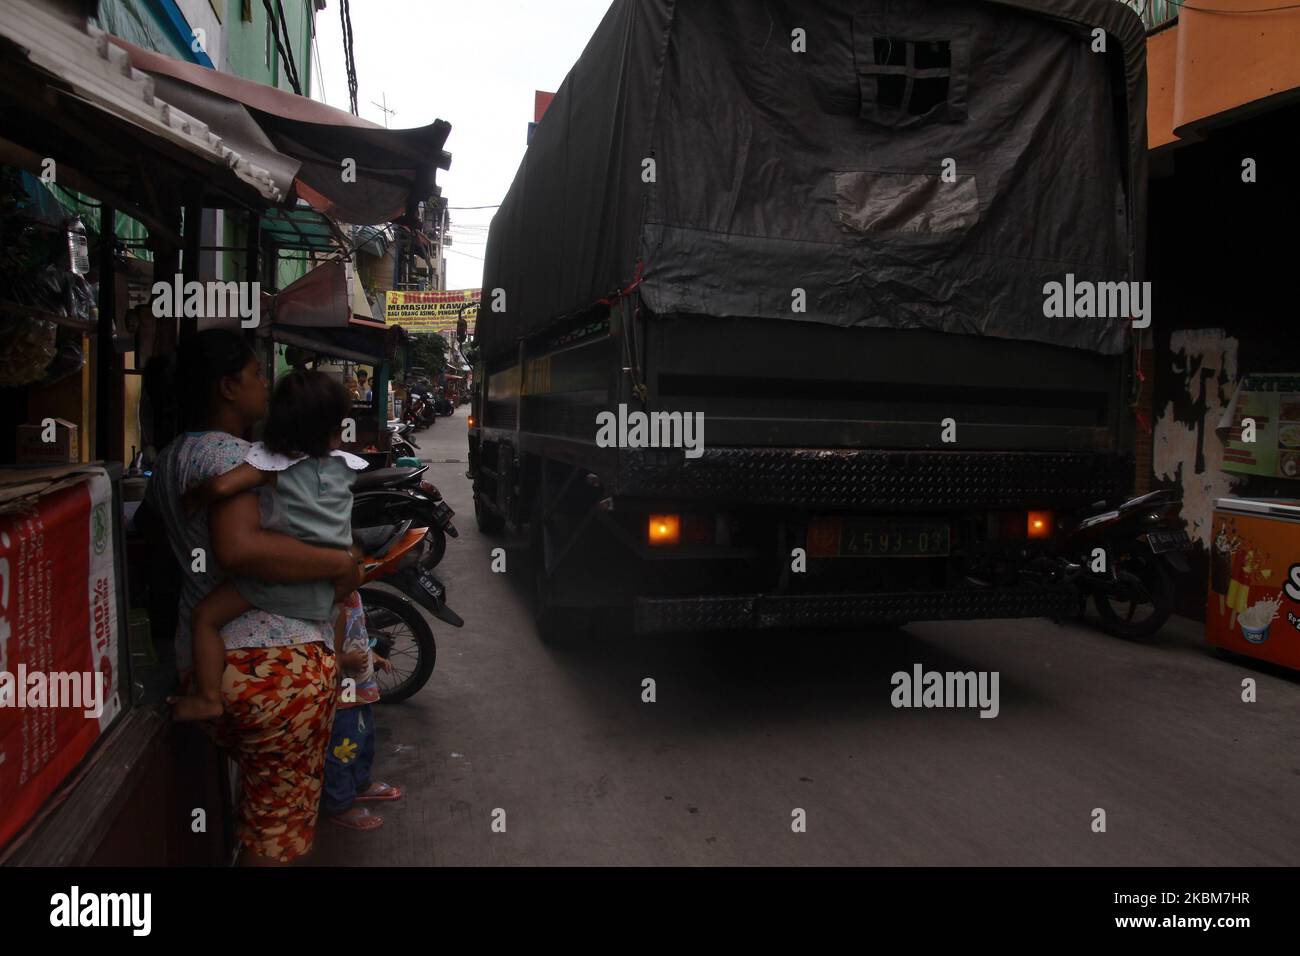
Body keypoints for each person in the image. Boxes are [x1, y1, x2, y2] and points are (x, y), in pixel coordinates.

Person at [142, 329, 362, 866]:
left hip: (213, 667)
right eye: (257, 375)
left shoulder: (173, 457)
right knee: (277, 832)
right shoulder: (238, 457)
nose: (266, 384)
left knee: (260, 812)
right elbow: (240, 549)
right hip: (275, 664)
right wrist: (339, 562)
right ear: (226, 386)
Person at [168, 370, 367, 722]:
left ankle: (209, 697)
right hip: (327, 579)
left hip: (275, 580)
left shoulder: (271, 465)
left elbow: (221, 488)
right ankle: (332, 670)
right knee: (336, 613)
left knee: (204, 618)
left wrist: (196, 495)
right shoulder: (342, 466)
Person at [322, 591, 403, 830]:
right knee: (343, 746)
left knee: (363, 738)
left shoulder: (352, 597)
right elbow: (326, 650)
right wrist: (345, 660)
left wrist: (374, 656)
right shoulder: (327, 603)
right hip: (344, 690)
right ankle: (340, 804)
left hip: (359, 688)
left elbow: (358, 636)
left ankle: (360, 784)